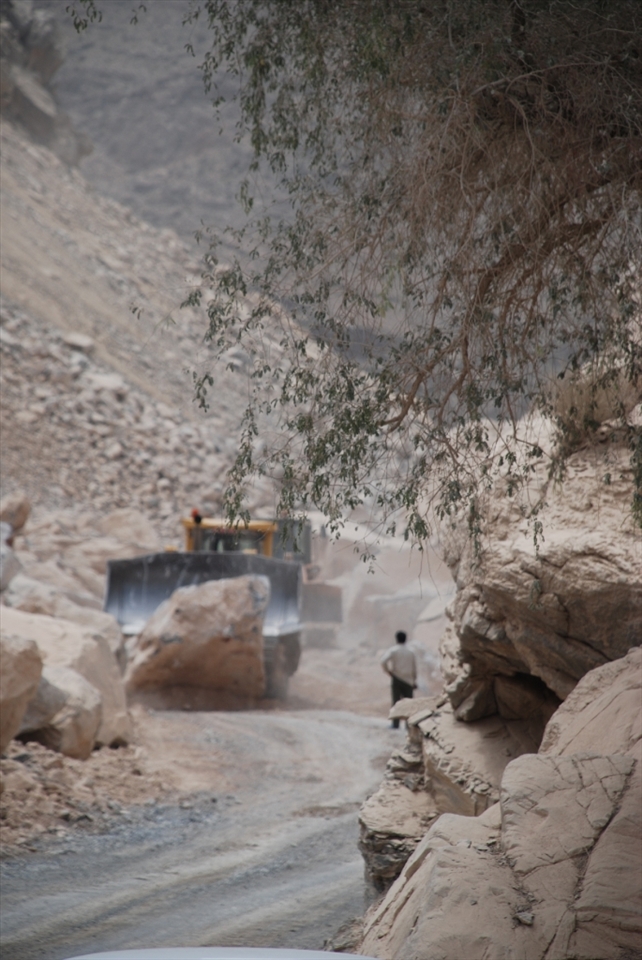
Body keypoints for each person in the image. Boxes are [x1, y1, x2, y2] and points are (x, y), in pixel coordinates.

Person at [380, 631, 417, 728]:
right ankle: (408, 725)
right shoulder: (411, 652)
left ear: (396, 639)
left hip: (396, 678)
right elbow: (414, 667)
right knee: (409, 704)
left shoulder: (393, 650)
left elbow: (383, 661)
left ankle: (395, 724)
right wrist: (414, 680)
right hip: (409, 680)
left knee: (396, 702)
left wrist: (388, 671)